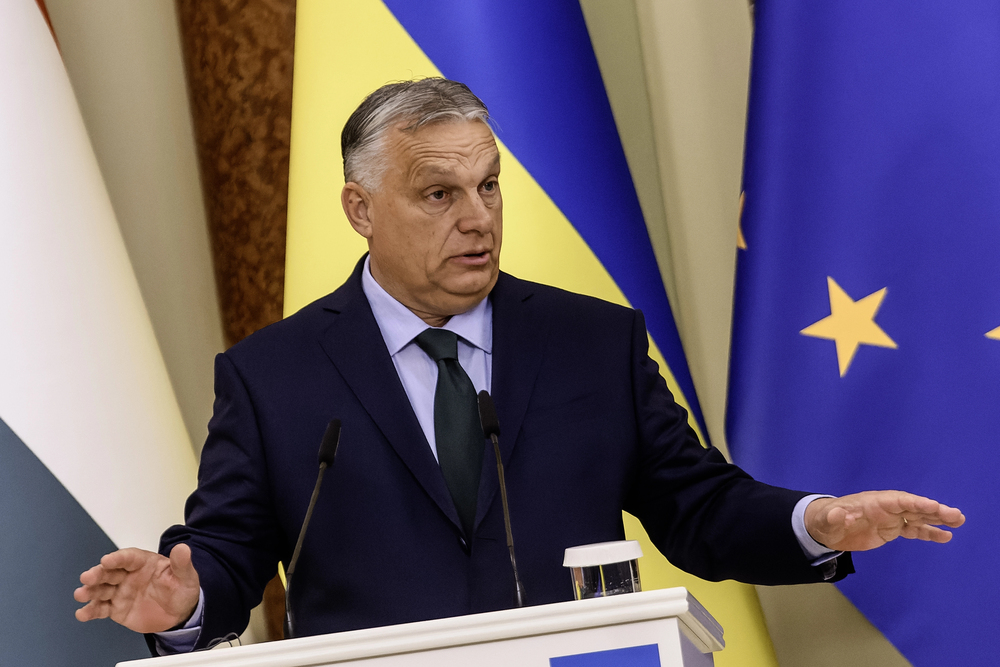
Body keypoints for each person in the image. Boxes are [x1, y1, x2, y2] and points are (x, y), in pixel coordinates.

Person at [74, 78, 964, 652]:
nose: (479, 218)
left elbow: (698, 507)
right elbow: (228, 554)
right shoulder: (274, 376)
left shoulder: (593, 342)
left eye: (489, 184)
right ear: (360, 208)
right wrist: (184, 599)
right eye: (439, 193)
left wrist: (818, 519)